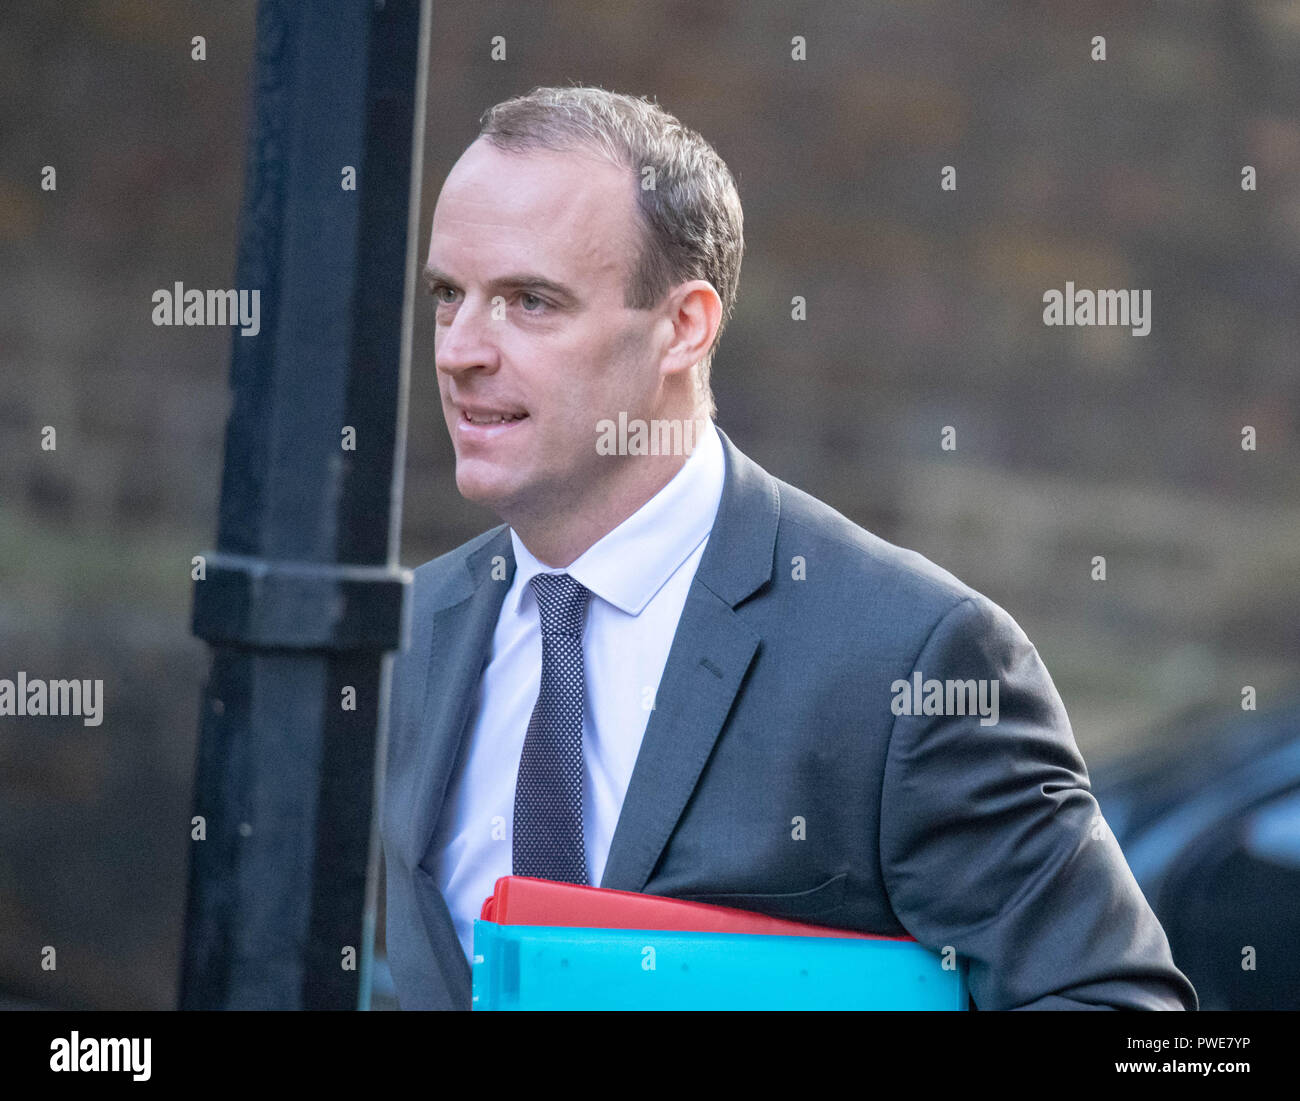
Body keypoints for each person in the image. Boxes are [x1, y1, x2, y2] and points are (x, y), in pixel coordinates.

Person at [380, 84, 1197, 1011]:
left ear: (683, 327)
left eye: (529, 301)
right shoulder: (404, 634)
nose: (458, 350)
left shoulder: (916, 653)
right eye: (450, 295)